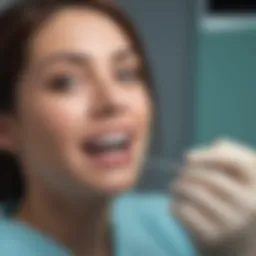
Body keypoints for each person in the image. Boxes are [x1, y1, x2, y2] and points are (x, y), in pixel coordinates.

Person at [0, 0, 256, 255]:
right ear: (5, 129)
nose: (112, 101)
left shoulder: (181, 222)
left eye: (126, 73)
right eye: (66, 82)